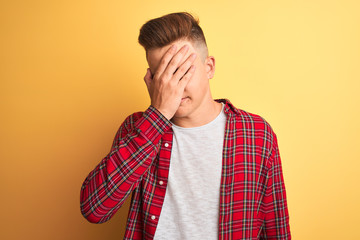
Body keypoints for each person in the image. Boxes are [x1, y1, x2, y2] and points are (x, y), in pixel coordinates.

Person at [80, 12, 291, 239]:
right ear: (150, 79)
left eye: (182, 72)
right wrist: (159, 114)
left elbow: (276, 228)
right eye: (163, 75)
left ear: (209, 67)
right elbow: (95, 208)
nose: (174, 86)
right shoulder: (137, 128)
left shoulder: (256, 134)